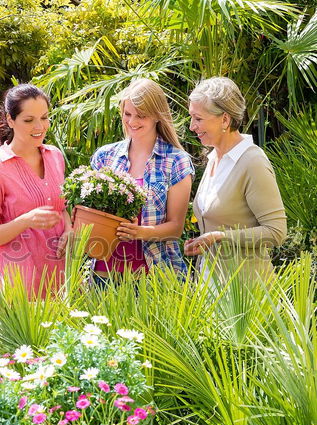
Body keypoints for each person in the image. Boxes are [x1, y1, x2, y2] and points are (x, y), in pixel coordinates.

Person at [90, 78, 194, 282]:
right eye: (127, 114)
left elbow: (175, 228)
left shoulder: (175, 161)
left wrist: (140, 232)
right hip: (103, 275)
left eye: (141, 116)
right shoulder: (105, 156)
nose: (132, 122)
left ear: (157, 116)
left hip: (152, 277)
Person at [184, 76, 287, 282]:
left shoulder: (252, 161)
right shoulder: (213, 157)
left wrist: (221, 237)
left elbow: (276, 232)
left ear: (225, 119)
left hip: (246, 292)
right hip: (210, 286)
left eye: (198, 118)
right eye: (191, 117)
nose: (191, 126)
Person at [0, 84, 72, 295]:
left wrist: (68, 229)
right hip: (20, 284)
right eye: (29, 120)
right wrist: (26, 220)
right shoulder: (2, 167)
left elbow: (62, 207)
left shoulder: (55, 156)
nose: (39, 126)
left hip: (62, 277)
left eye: (44, 117)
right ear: (10, 120)